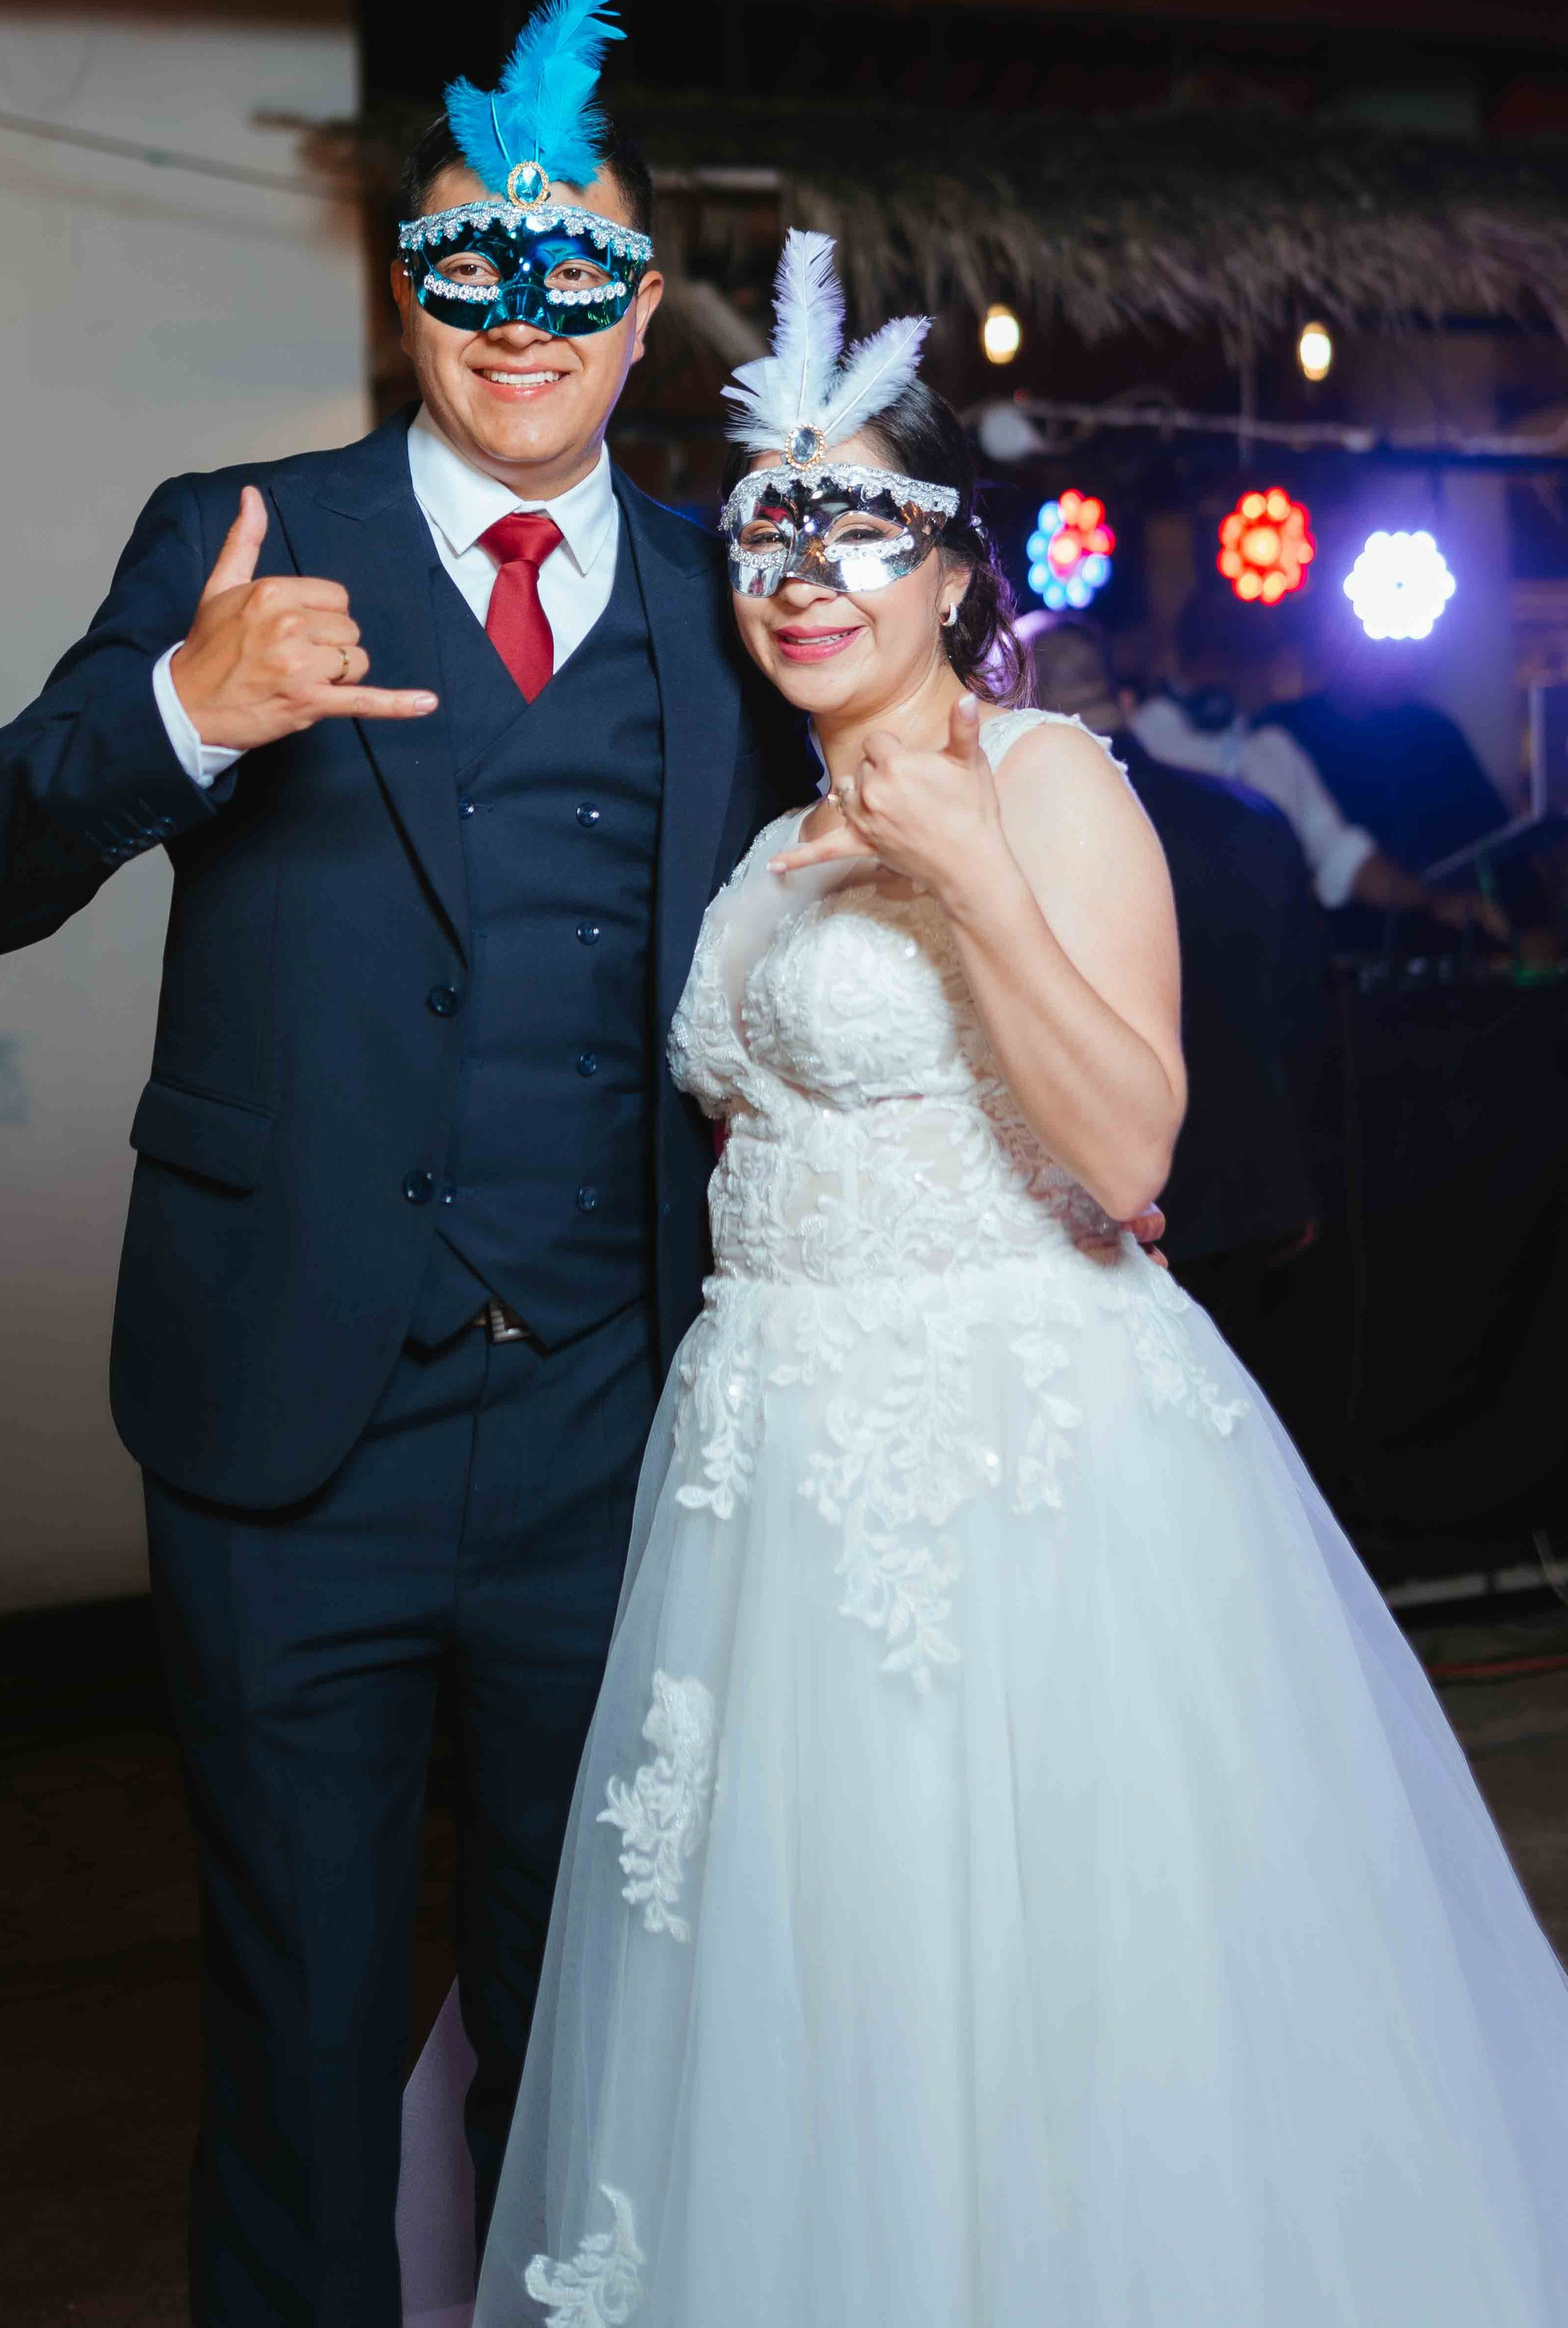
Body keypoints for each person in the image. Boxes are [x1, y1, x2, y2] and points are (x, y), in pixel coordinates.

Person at [476, 235, 1568, 2328]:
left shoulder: (1048, 782)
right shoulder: (757, 845)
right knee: (814, 1980)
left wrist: (971, 874)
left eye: (855, 530)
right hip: (766, 1480)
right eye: (764, 536)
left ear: (956, 568)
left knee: (1033, 1977)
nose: (800, 575)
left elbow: (1130, 1147)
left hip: (1010, 1466)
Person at [0, 0, 822, 2328]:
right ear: (406, 290)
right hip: (284, 1425)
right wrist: (180, 713)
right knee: (299, 2050)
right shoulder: (240, 533)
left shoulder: (734, 602)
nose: (521, 312)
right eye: (468, 261)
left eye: (573, 269)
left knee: (592, 2043)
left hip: (611, 1437)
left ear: (641, 308)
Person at [1022, 612, 1328, 1375]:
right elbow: (1312, 1022)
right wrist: (1304, 1179)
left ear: (1021, 703)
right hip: (1256, 1198)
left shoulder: (1027, 833)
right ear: (1125, 698)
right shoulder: (1252, 816)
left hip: (1105, 1207)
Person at [1131, 593, 1504, 939]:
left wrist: (1434, 902)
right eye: (1266, 665)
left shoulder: (1272, 750)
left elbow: (1344, 858)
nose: (1273, 681)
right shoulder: (1137, 745)